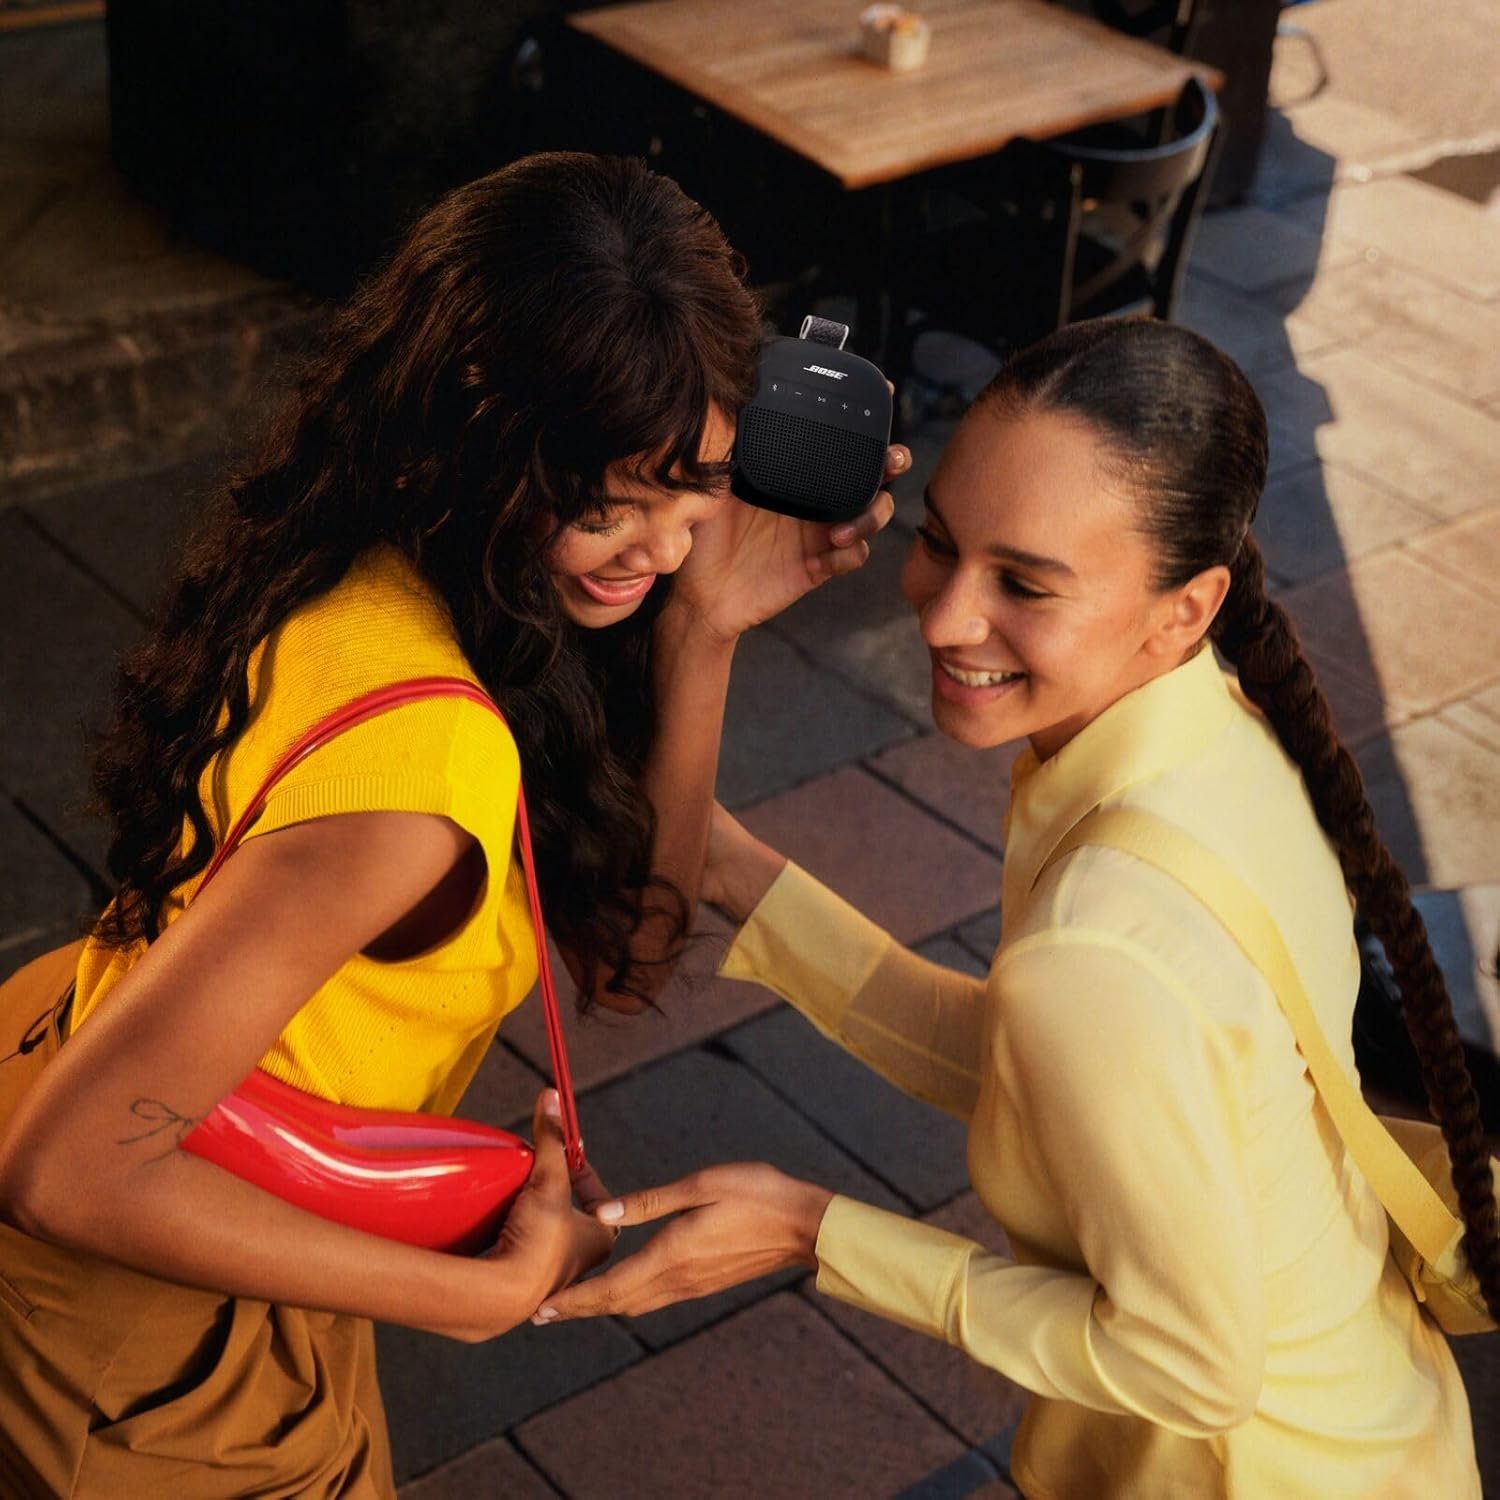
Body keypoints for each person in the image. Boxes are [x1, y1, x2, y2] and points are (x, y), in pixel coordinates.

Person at [0, 151, 900, 1497]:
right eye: (611, 501)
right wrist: (481, 1300)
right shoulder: (420, 788)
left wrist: (702, 627)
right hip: (156, 1304)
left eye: (700, 484)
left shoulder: (371, 550)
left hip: (163, 1102)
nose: (663, 547)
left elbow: (626, 948)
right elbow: (69, 1173)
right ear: (484, 444)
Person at [535, 318, 1497, 1498]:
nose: (943, 617)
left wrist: (811, 1230)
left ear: (1185, 606)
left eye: (1024, 585)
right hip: (1382, 1425)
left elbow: (1193, 1368)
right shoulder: (1221, 735)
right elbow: (1048, 1058)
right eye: (941, 542)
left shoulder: (1103, 941)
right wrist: (731, 866)